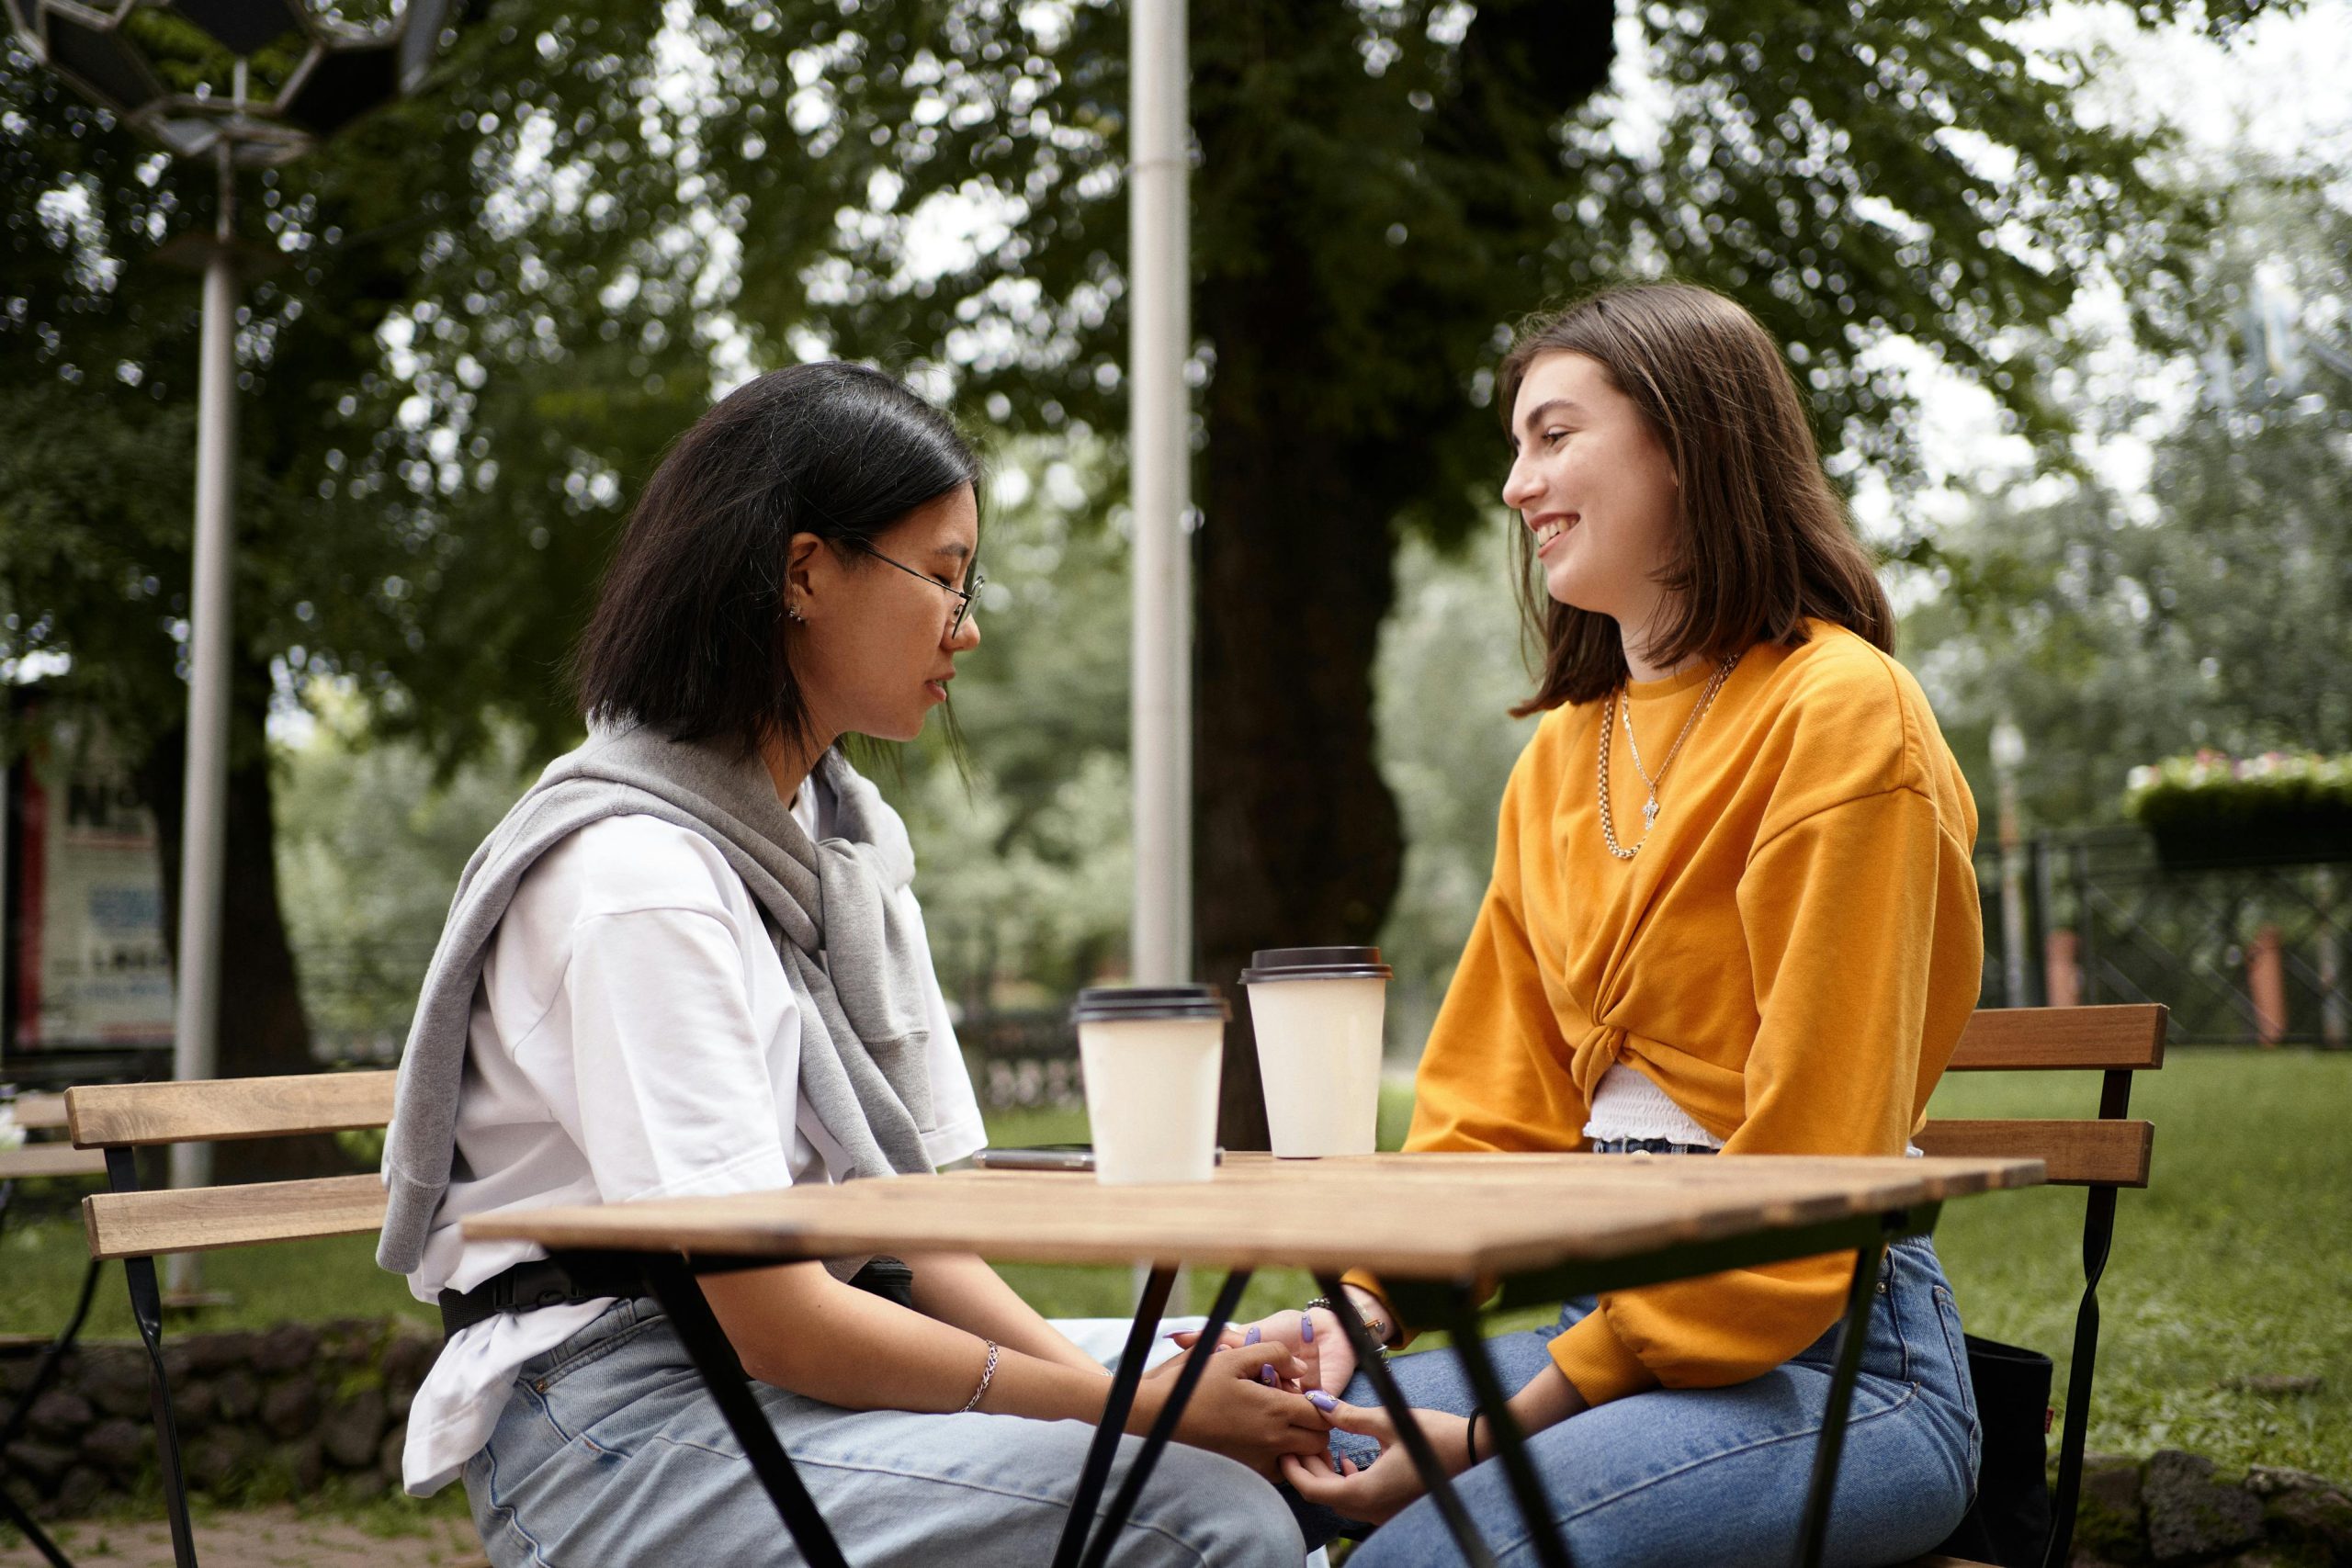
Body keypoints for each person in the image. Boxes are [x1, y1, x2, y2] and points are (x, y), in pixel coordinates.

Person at [375, 363, 1321, 1567]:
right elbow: (776, 1319)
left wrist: (1143, 1387)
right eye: (943, 573)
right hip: (621, 1426)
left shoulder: (847, 854)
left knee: (1285, 1415)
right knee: (1204, 1511)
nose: (966, 624)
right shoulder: (635, 883)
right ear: (805, 570)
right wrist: (1140, 1412)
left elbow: (920, 1243)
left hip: (803, 1357)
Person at [1195, 283, 1986, 1567]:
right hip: (1605, 1338)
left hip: (1840, 1374)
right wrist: (1360, 1307)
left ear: (1687, 443)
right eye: (1519, 445)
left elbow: (1810, 1171)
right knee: (1202, 1462)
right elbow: (1490, 1115)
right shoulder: (1567, 753)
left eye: (1554, 436)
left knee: (1432, 1552)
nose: (1517, 486)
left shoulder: (1843, 713)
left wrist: (1511, 1430)